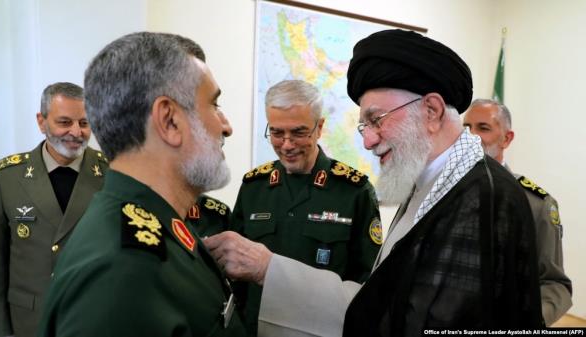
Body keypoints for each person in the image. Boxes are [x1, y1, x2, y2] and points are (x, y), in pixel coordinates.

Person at [205, 29, 543, 336]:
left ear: (432, 111)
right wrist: (269, 270)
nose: (368, 142)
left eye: (376, 120)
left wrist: (270, 271)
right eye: (364, 125)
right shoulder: (433, 185)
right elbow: (383, 299)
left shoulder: (482, 198)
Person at [36, 32, 246, 336]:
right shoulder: (120, 271)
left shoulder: (162, 228)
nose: (226, 126)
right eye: (214, 105)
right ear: (169, 121)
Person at [231, 79, 382, 335]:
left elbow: (367, 282)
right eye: (277, 133)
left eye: (299, 132)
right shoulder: (253, 187)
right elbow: (236, 278)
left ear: (319, 127)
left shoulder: (353, 191)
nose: (287, 144)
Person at [0, 82, 108, 337]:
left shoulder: (112, 171)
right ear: (41, 122)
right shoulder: (4, 175)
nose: (76, 132)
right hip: (30, 322)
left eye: (84, 123)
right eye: (65, 122)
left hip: (93, 320)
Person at [463, 98, 572, 325]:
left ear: (507, 138)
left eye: (483, 128)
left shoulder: (535, 204)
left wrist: (528, 322)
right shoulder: (439, 193)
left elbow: (554, 284)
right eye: (466, 128)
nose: (471, 136)